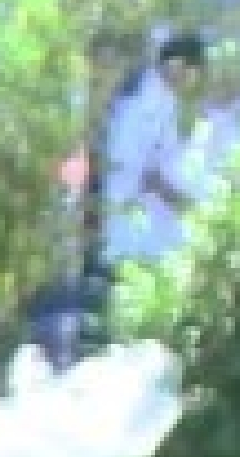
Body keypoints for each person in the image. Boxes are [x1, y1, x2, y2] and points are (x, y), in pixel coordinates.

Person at [90, 29, 228, 280]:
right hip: (132, 227)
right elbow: (135, 167)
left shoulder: (166, 101)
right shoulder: (141, 102)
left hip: (150, 228)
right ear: (176, 65)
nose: (193, 83)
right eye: (192, 74)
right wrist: (182, 203)